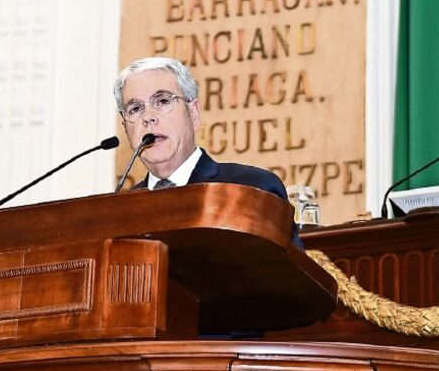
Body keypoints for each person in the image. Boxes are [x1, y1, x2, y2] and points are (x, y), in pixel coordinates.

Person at [114, 57, 303, 248]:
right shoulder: (120, 213)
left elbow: (287, 276)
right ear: (126, 128)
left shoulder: (252, 188)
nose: (148, 117)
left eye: (162, 101)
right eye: (135, 108)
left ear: (194, 113)